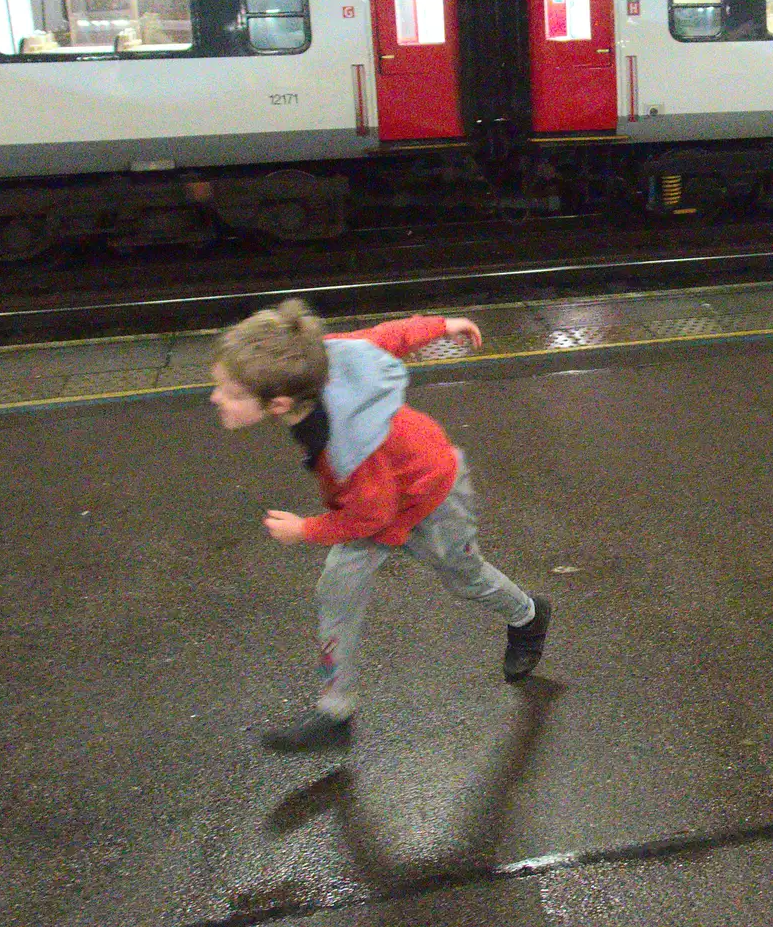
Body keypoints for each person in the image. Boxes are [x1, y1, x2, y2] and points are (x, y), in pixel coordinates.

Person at [210, 298, 551, 753]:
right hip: (377, 497)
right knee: (337, 589)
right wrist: (442, 324)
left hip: (432, 496)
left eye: (231, 393)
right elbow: (385, 338)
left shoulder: (352, 447)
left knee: (465, 577)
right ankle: (335, 711)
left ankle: (528, 615)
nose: (216, 397)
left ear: (279, 404)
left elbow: (371, 516)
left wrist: (305, 530)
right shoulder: (315, 361)